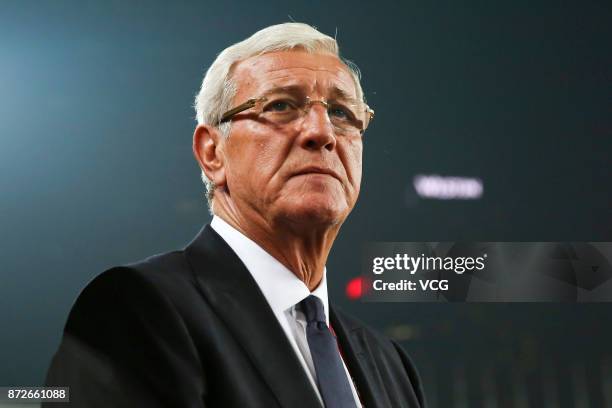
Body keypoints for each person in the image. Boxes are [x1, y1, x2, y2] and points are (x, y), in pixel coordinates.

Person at [44, 22, 426, 408]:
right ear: (212, 153)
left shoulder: (390, 364)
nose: (321, 131)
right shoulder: (135, 311)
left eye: (342, 112)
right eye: (280, 105)